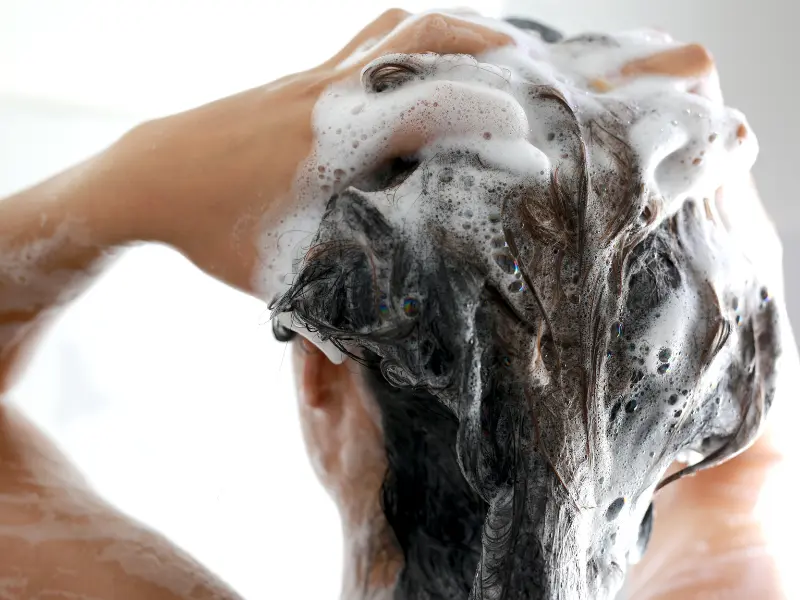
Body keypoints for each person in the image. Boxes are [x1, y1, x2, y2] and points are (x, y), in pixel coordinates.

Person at [0, 9, 795, 599]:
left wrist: (134, 174)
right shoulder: (727, 572)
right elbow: (736, 476)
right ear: (687, 422)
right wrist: (678, 255)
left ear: (319, 371)